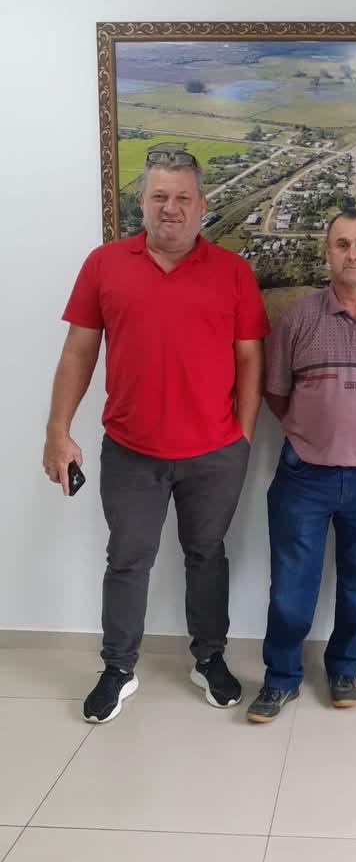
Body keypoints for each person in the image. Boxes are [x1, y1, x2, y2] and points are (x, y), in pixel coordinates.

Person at [43, 147, 269, 723]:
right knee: (127, 560)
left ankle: (209, 659)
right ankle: (118, 669)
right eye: (160, 196)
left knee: (207, 556)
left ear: (202, 205)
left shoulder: (233, 272)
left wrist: (242, 437)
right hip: (130, 453)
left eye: (182, 197)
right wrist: (57, 430)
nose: (171, 208)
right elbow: (78, 352)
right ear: (141, 202)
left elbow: (250, 359)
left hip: (215, 454)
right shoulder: (104, 264)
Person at [247, 209, 356, 722]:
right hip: (303, 475)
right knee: (290, 586)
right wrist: (311, 431)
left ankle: (344, 668)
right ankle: (281, 678)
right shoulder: (298, 319)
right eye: (342, 244)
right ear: (327, 253)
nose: (352, 254)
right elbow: (276, 393)